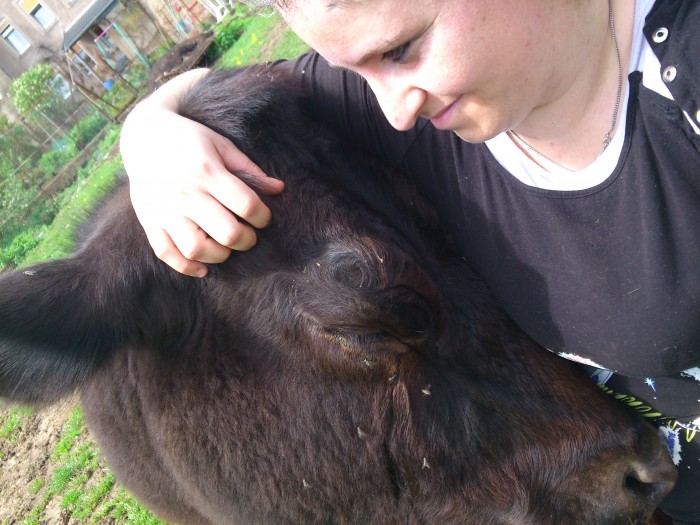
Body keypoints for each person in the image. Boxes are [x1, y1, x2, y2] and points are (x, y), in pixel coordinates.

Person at [120, 0, 700, 522]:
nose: (394, 110)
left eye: (401, 50)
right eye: (356, 71)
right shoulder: (402, 112)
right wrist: (148, 135)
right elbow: (212, 88)